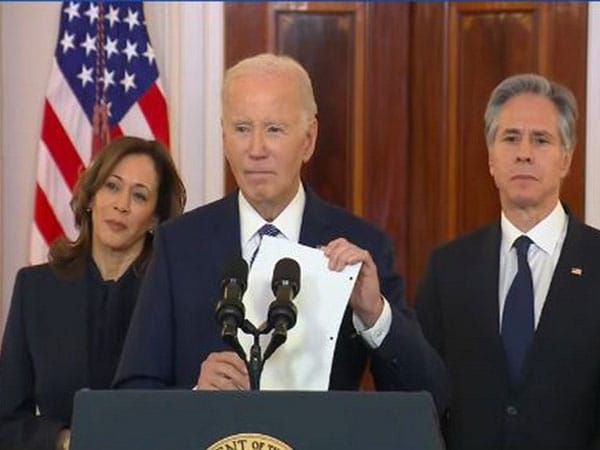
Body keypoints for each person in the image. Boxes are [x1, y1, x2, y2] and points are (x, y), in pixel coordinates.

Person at [113, 53, 449, 411]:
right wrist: (196, 394)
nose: (256, 150)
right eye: (242, 129)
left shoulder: (363, 247)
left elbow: (428, 399)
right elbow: (130, 397)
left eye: (274, 129)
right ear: (224, 137)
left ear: (309, 139)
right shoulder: (179, 245)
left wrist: (374, 314)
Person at [416, 73, 600, 450]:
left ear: (566, 158)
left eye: (541, 140)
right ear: (491, 158)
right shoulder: (448, 269)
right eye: (511, 138)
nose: (524, 153)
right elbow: (422, 394)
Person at [0, 136, 186, 450]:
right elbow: (7, 420)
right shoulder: (35, 289)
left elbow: (185, 407)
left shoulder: (172, 296)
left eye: (139, 195)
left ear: (155, 219)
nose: (121, 205)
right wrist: (64, 440)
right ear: (91, 197)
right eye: (112, 187)